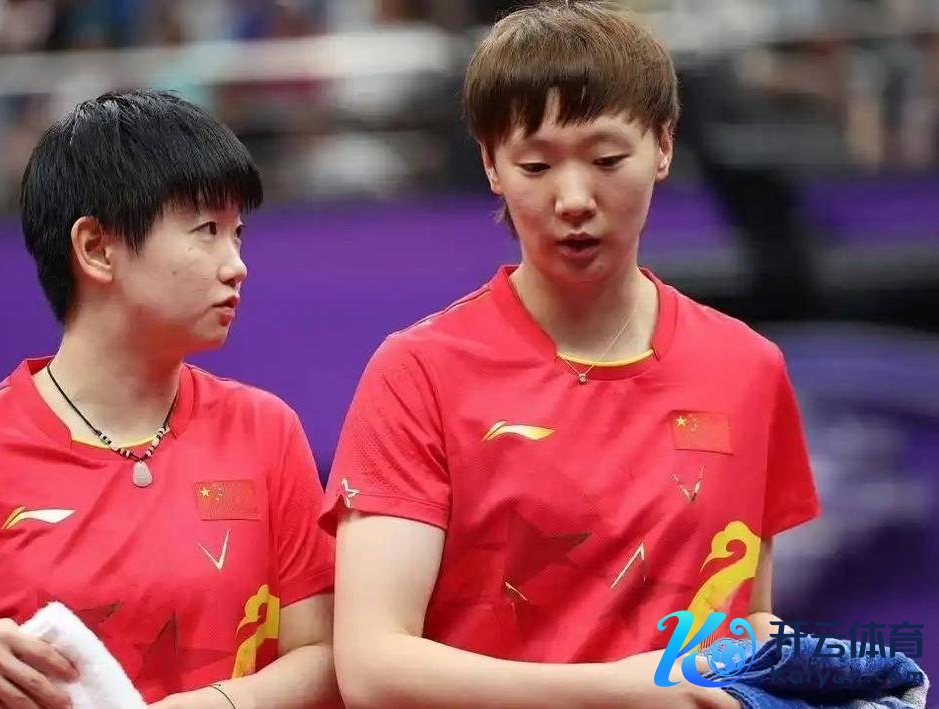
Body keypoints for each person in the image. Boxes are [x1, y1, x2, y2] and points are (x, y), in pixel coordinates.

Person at [318, 2, 821, 707]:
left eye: (608, 159)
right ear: (491, 165)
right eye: (535, 165)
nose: (574, 199)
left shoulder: (749, 367)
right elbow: (373, 666)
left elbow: (747, 617)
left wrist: (807, 677)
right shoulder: (418, 373)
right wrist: (625, 693)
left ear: (664, 145)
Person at [0, 90, 338, 709]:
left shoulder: (266, 431)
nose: (236, 265)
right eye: (207, 231)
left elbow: (323, 658)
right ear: (96, 249)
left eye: (238, 233)